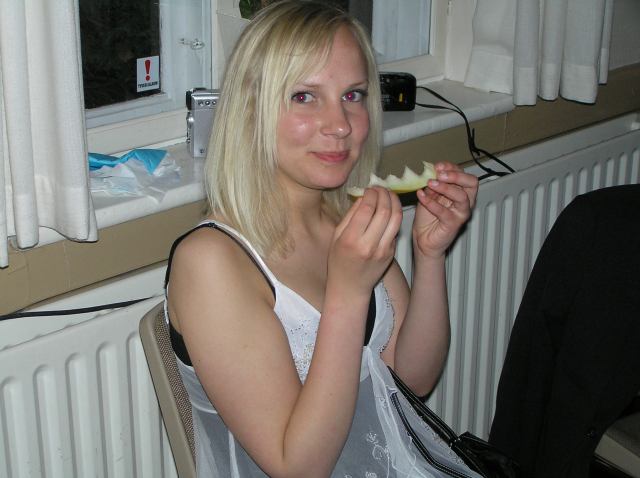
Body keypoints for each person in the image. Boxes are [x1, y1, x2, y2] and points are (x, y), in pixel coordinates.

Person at [165, 1, 480, 476]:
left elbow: (412, 379)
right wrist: (348, 294)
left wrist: (429, 255)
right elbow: (298, 467)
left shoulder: (344, 218)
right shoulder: (211, 262)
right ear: (250, 110)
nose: (340, 124)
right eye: (304, 96)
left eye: (352, 95)